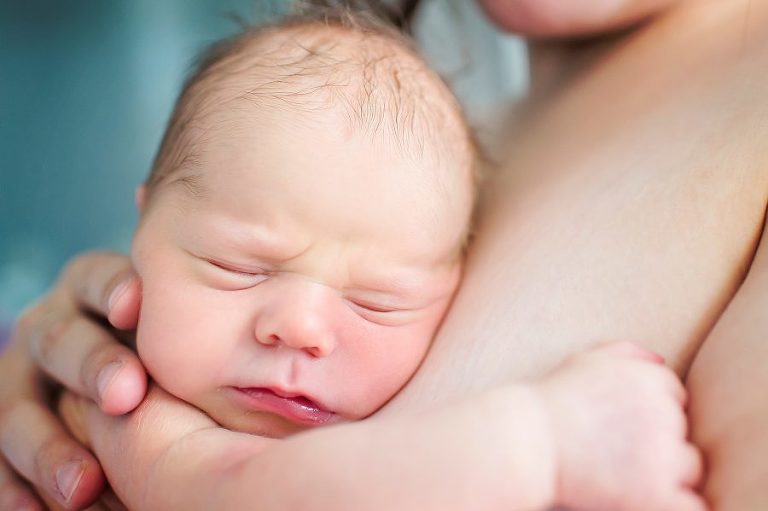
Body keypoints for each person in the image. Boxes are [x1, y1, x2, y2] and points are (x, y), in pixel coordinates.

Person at [3, 0, 768, 508]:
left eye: (377, 301)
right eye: (236, 267)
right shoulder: (402, 152)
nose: (299, 326)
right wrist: (43, 372)